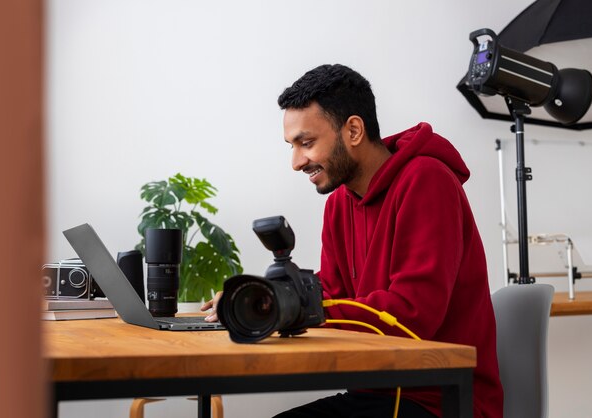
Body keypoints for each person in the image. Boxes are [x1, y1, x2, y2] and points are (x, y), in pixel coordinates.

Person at [203, 63, 503, 418]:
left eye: (307, 143)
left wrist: (292, 310)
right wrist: (263, 304)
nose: (297, 162)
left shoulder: (427, 181)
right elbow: (329, 297)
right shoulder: (338, 205)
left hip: (441, 401)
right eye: (292, 146)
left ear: (354, 130)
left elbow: (412, 317)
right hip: (377, 392)